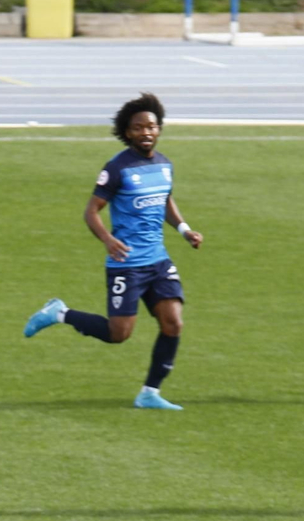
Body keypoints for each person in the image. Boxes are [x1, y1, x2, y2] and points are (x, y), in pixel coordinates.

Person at [23, 92, 204, 411]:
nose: (146, 132)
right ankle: (59, 313)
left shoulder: (164, 165)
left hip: (158, 261)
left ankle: (149, 393)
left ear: (159, 129)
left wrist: (184, 229)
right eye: (138, 127)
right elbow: (91, 211)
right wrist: (107, 239)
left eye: (151, 126)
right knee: (118, 333)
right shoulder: (118, 168)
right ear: (127, 132)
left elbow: (164, 199)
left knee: (173, 323)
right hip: (126, 264)